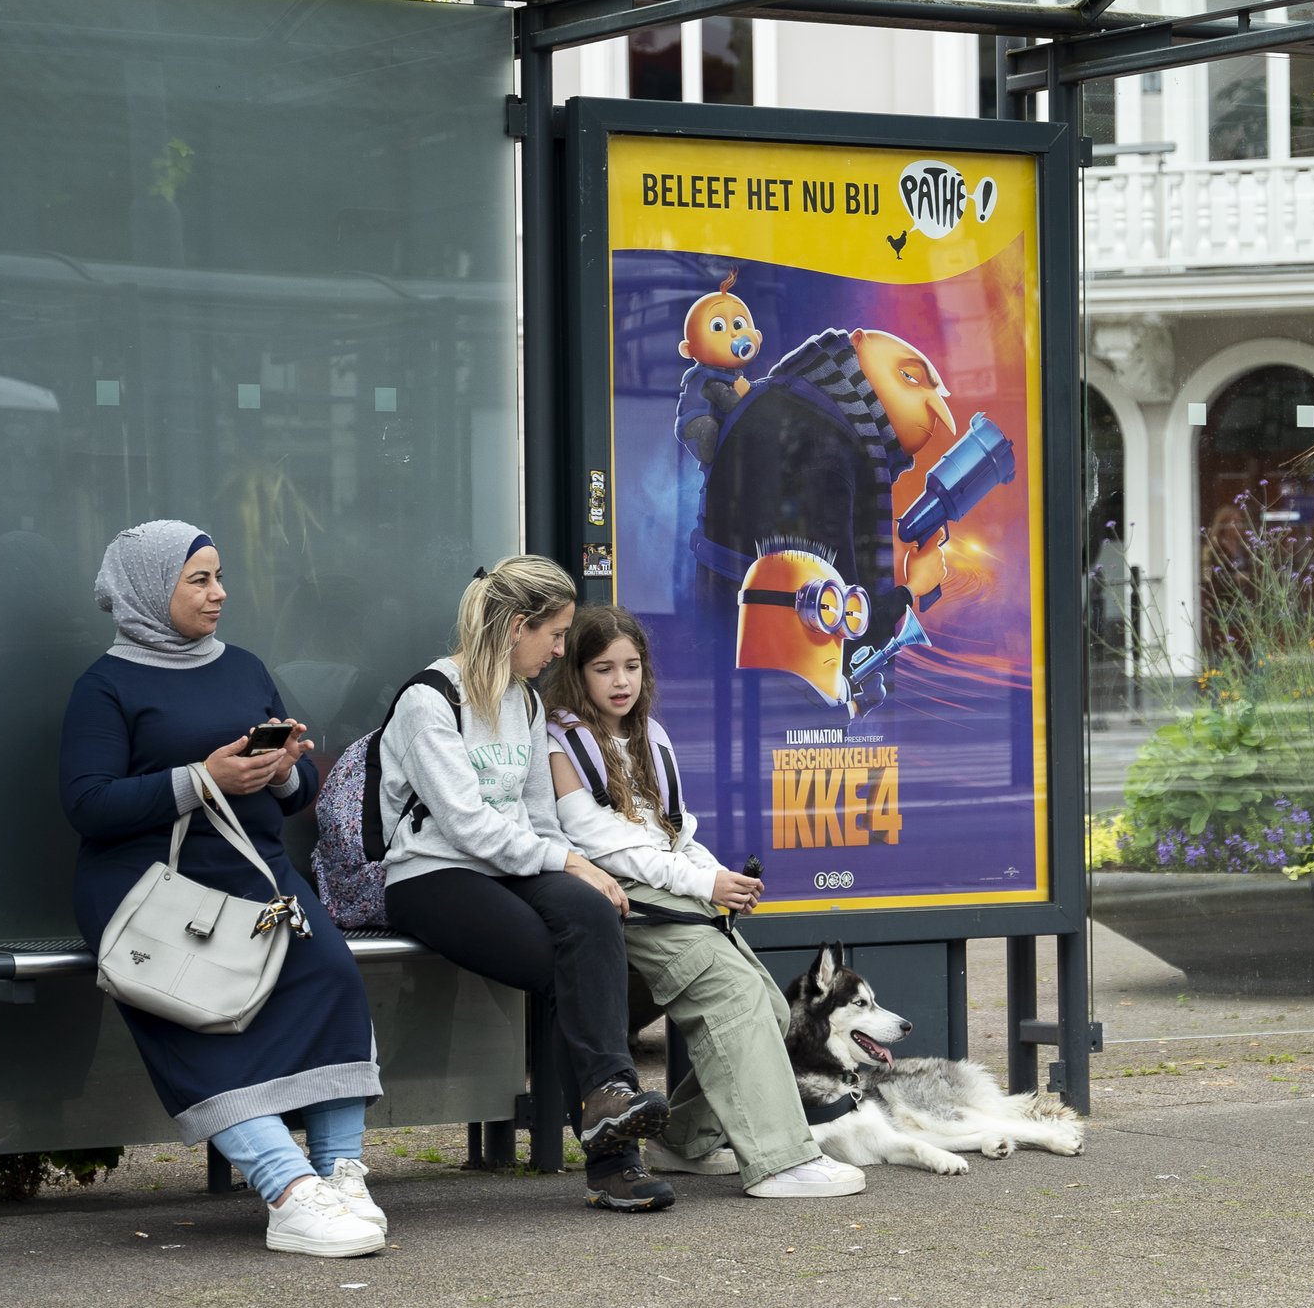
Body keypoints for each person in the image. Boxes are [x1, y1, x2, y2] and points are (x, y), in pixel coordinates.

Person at [59, 520, 385, 1259]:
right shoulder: (103, 687)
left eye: (218, 576)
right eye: (198, 580)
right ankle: (290, 1191)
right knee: (197, 1014)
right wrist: (199, 780)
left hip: (255, 878)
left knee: (330, 978)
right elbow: (88, 804)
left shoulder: (241, 666)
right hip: (152, 894)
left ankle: (338, 1177)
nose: (219, 594)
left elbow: (293, 787)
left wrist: (283, 772)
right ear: (149, 590)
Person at [378, 556, 677, 1211]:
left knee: (593, 916)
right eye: (556, 633)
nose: (562, 650)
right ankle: (613, 1155)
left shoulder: (525, 700)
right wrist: (571, 863)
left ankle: (610, 1105)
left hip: (509, 866)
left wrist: (576, 867)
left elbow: (538, 818)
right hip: (433, 873)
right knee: (563, 958)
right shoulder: (430, 700)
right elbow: (464, 827)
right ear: (517, 626)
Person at [542, 605, 867, 1199]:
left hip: (674, 891)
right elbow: (605, 846)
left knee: (771, 1008)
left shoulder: (648, 737)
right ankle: (778, 1161)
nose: (621, 682)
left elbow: (674, 829)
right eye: (603, 668)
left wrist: (717, 876)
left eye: (632, 666)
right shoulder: (562, 740)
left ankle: (682, 1142)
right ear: (577, 674)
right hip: (624, 899)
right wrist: (703, 884)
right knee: (733, 997)